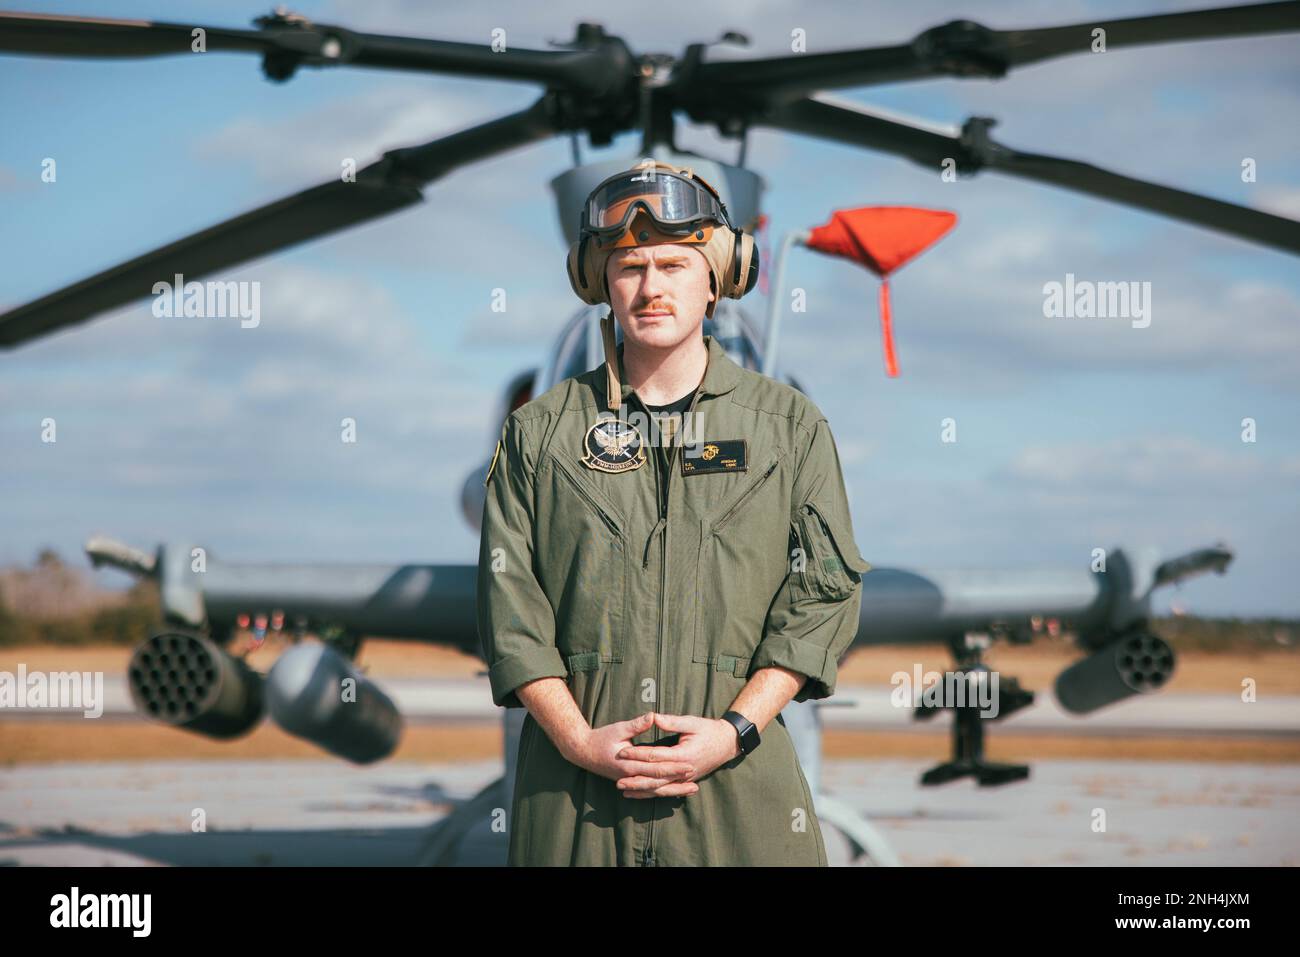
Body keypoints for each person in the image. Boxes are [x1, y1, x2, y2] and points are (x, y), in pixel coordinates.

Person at [476, 160, 870, 866]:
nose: (651, 287)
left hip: (739, 795)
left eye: (674, 264)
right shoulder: (537, 435)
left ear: (717, 276)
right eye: (628, 267)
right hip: (575, 804)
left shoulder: (790, 427)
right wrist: (576, 740)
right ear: (599, 283)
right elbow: (511, 610)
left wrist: (734, 730)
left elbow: (824, 595)